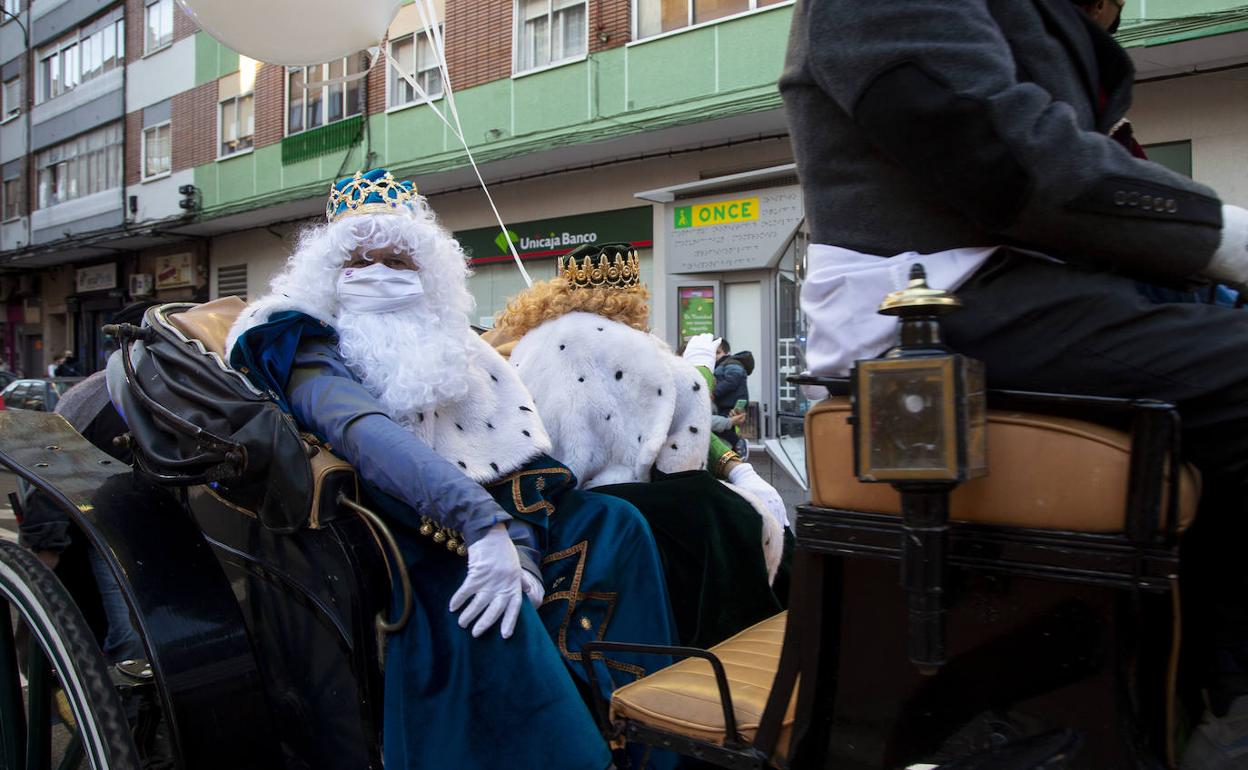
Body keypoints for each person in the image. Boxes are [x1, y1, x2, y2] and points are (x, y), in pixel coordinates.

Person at [781, 0, 1248, 766]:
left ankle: (1208, 688)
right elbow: (991, 148)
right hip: (931, 295)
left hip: (1021, 284)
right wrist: (1222, 240)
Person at [224, 170, 676, 770]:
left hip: (485, 514)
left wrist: (520, 541)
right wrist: (483, 526)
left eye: (398, 261)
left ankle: (639, 722)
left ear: (426, 271)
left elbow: (518, 452)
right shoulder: (298, 337)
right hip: (394, 521)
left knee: (618, 523)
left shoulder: (454, 342)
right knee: (488, 617)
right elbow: (362, 433)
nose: (380, 275)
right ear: (330, 272)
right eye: (361, 261)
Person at [488, 244, 791, 648]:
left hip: (560, 517)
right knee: (728, 517)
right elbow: (684, 455)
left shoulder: (528, 348)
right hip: (636, 516)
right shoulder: (643, 350)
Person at [711, 339, 751, 452]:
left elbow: (732, 380)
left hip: (731, 403)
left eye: (718, 352)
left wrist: (714, 393)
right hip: (728, 402)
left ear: (727, 353)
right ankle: (736, 445)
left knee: (724, 427)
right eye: (712, 353)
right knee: (725, 426)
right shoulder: (722, 365)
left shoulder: (731, 363)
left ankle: (738, 443)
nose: (714, 356)